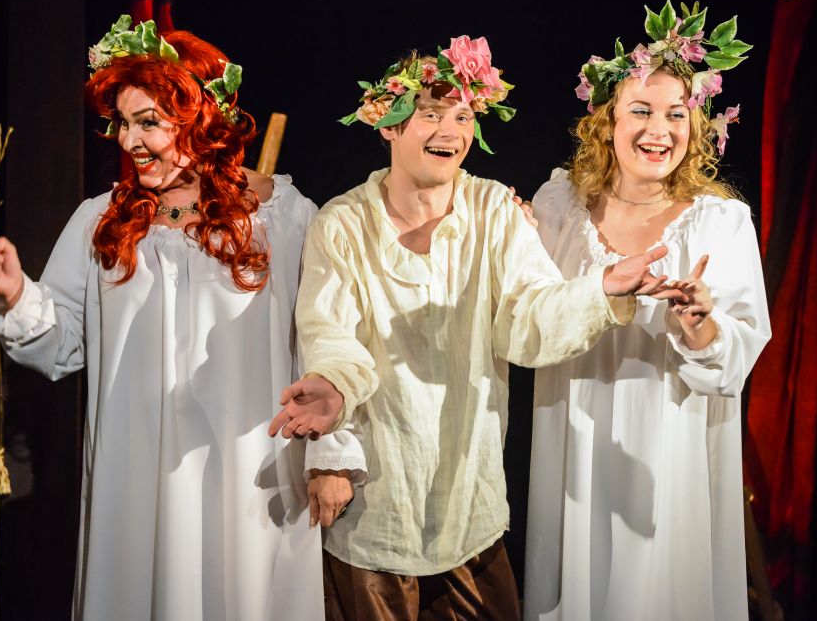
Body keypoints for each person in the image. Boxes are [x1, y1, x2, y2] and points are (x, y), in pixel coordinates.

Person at [267, 36, 684, 620]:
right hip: (377, 502)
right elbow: (329, 333)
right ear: (386, 124)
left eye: (463, 116)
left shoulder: (492, 210)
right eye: (430, 114)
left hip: (469, 504)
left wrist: (601, 289)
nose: (451, 130)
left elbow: (527, 318)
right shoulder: (343, 223)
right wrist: (333, 394)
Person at [0, 15, 352, 620]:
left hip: (249, 476)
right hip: (136, 478)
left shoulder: (286, 216)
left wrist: (334, 454)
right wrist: (16, 295)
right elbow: (61, 345)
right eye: (121, 122)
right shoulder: (101, 221)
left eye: (147, 122)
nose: (127, 140)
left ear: (201, 120)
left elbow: (329, 342)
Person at [523, 0, 772, 620]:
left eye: (675, 114)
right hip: (575, 439)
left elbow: (739, 353)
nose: (658, 129)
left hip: (671, 450)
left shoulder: (721, 222)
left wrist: (702, 327)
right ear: (606, 119)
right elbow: (525, 322)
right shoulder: (557, 208)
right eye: (640, 110)